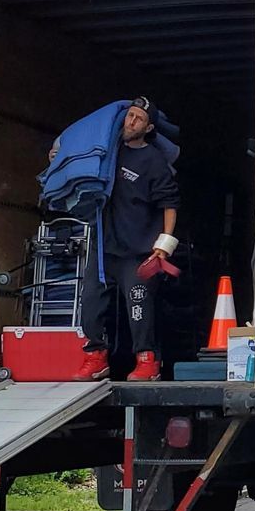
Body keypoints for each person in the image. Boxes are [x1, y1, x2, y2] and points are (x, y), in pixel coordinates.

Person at [78, 97, 181, 381]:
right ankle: (96, 358)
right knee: (91, 303)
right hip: (104, 248)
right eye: (129, 115)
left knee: (139, 306)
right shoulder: (109, 151)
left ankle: (147, 362)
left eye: (138, 119)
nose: (130, 121)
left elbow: (169, 203)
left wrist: (164, 245)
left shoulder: (153, 161)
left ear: (148, 128)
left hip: (138, 250)